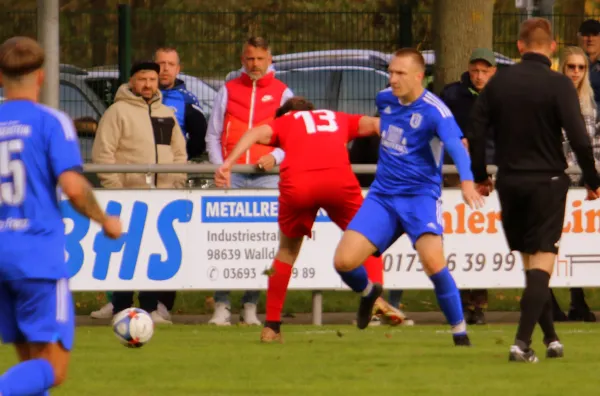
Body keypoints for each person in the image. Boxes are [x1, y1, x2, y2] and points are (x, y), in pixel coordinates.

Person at [466, 18, 600, 363]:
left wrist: (481, 174)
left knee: (530, 265)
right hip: (548, 183)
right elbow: (580, 139)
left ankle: (552, 339)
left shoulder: (497, 83)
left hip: (510, 183)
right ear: (553, 48)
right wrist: (593, 179)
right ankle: (521, 344)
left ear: (519, 47)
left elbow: (476, 132)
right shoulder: (559, 85)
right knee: (542, 264)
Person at [333, 48, 484, 348]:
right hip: (383, 196)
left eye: (400, 73)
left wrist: (467, 181)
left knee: (433, 263)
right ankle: (369, 294)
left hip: (420, 198)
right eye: (390, 72)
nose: (393, 79)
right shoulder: (384, 100)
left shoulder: (435, 110)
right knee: (343, 262)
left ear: (419, 76)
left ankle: (460, 333)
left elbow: (455, 145)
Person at [0, 36, 122, 395]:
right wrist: (105, 220)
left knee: (31, 367)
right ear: (41, 76)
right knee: (53, 368)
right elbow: (73, 186)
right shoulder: (51, 122)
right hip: (36, 259)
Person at [214, 96, 388, 342]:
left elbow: (254, 133)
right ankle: (378, 299)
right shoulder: (335, 117)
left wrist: (228, 164)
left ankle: (271, 327)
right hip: (338, 182)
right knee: (368, 237)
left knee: (286, 252)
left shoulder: (285, 122)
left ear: (283, 115)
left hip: (299, 185)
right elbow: (376, 124)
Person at [205, 36, 294, 326]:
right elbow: (213, 134)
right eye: (249, 59)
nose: (254, 64)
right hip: (233, 176)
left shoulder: (283, 93)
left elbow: (292, 137)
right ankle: (221, 305)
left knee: (260, 242)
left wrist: (277, 158)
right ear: (242, 60)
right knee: (225, 239)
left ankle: (251, 305)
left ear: (270, 59)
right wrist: (222, 168)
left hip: (267, 179)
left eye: (259, 58)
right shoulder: (228, 89)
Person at [91, 60, 188, 324]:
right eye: (142, 79)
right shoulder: (117, 112)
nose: (147, 85)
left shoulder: (166, 113)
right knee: (125, 252)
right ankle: (121, 305)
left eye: (152, 80)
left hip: (161, 197)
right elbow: (104, 153)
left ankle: (149, 306)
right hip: (127, 196)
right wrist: (116, 190)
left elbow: (179, 153)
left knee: (151, 252)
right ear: (132, 82)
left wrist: (175, 183)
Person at [439, 48, 498, 325]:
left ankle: (480, 302)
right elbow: (439, 123)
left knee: (484, 237)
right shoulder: (452, 94)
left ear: (493, 71)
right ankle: (461, 299)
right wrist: (457, 138)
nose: (479, 75)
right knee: (458, 236)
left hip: (490, 171)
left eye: (484, 71)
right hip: (456, 172)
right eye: (475, 70)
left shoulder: (501, 94)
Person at [553, 46, 599, 323]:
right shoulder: (551, 98)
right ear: (563, 68)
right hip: (556, 180)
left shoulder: (591, 105)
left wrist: (592, 176)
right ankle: (546, 301)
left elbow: (595, 144)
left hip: (582, 184)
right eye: (571, 67)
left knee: (577, 244)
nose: (576, 72)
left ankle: (577, 300)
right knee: (550, 243)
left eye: (581, 67)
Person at [155, 46, 208, 160]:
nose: (165, 68)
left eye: (171, 64)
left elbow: (199, 139)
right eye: (161, 63)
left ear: (178, 69)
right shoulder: (139, 97)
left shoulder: (187, 100)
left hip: (172, 166)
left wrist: (180, 158)